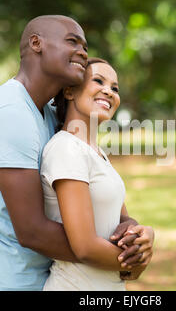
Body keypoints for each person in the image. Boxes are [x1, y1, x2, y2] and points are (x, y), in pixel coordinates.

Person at [0, 15, 154, 291]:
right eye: (73, 41)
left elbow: (98, 204)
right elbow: (33, 231)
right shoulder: (10, 113)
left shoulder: (50, 116)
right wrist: (123, 261)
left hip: (36, 279)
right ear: (36, 43)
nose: (83, 52)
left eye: (85, 46)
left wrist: (134, 235)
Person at [41, 57, 153, 291]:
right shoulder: (66, 148)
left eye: (115, 88)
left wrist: (141, 234)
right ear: (70, 91)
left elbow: (120, 219)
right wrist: (136, 263)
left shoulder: (97, 153)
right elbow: (85, 247)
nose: (109, 91)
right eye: (98, 81)